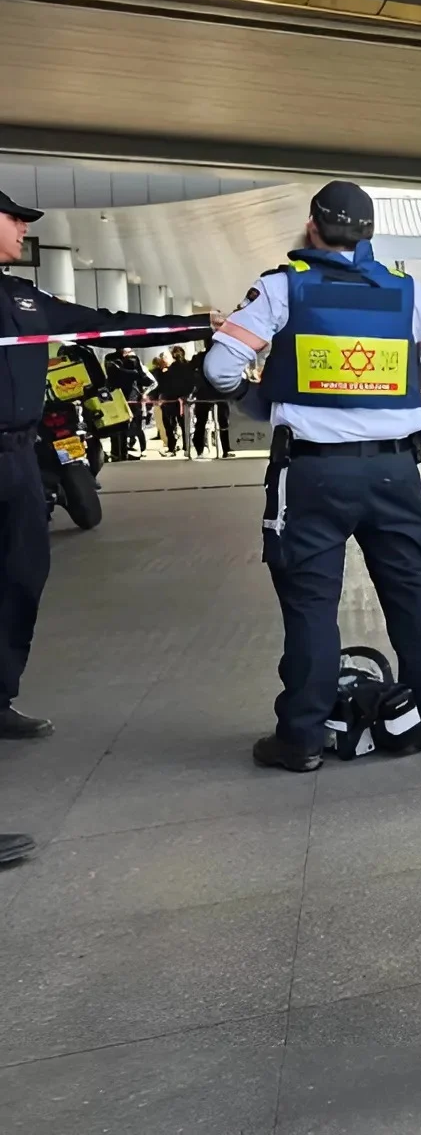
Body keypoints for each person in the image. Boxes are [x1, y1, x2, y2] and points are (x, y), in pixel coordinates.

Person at [203, 181, 421, 774]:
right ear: (369, 233)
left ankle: (300, 737)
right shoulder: (406, 293)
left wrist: (261, 401)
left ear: (311, 227)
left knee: (311, 604)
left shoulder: (282, 287)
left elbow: (221, 369)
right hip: (396, 470)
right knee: (408, 591)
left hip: (314, 473)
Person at [0, 188, 215, 750]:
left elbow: (110, 323)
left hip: (20, 458)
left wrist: (199, 325)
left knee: (22, 576)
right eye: (13, 220)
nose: (23, 231)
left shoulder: (24, 299)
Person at [105, 347, 153, 460]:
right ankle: (117, 452)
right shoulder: (111, 358)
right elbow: (112, 374)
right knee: (116, 425)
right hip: (117, 395)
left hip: (132, 396)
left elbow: (141, 376)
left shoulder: (132, 359)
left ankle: (134, 449)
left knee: (135, 425)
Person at [154, 343, 197, 456]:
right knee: (184, 425)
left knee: (170, 424)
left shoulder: (171, 369)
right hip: (184, 399)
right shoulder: (188, 366)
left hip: (171, 400)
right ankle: (186, 446)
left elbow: (165, 384)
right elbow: (192, 382)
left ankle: (172, 446)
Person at [192, 358, 234, 458]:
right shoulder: (221, 358)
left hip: (204, 393)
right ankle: (225, 448)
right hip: (219, 391)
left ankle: (200, 449)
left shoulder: (200, 358)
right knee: (223, 421)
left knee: (201, 422)